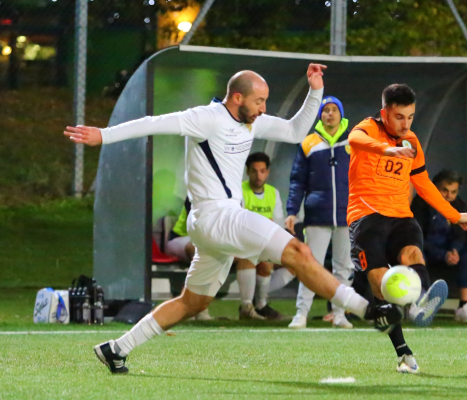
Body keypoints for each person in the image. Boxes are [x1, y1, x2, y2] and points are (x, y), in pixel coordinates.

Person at [65, 64, 398, 374]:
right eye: (259, 101)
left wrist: (315, 91)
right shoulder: (206, 118)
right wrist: (103, 135)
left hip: (212, 225)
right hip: (217, 216)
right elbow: (152, 123)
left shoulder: (251, 120)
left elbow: (296, 130)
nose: (263, 108)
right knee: (299, 252)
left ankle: (116, 349)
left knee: (192, 302)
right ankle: (368, 310)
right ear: (238, 98)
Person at [347, 83, 467, 373]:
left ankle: (419, 303)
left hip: (400, 217)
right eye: (399, 117)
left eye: (411, 117)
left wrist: (454, 215)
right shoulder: (369, 128)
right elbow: (354, 139)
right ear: (384, 114)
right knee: (380, 282)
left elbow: (424, 184)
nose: (405, 124)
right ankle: (403, 352)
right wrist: (386, 149)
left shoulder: (412, 142)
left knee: (412, 254)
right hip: (366, 217)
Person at [285, 95, 354, 329]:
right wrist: (292, 211)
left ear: (341, 114)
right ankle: (301, 314)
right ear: (320, 115)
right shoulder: (308, 143)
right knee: (310, 266)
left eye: (334, 109)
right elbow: (297, 181)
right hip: (316, 216)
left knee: (344, 267)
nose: (330, 114)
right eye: (326, 110)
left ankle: (339, 314)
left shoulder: (354, 142)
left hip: (347, 215)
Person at [411, 170, 467, 323]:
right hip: (427, 250)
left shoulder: (460, 205)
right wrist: (442, 254)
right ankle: (420, 303)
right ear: (435, 187)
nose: (449, 196)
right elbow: (417, 237)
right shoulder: (421, 203)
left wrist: (455, 251)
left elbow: (461, 235)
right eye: (445, 191)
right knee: (416, 255)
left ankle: (464, 306)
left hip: (449, 251)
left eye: (453, 192)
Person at [237, 152, 285, 320]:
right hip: (241, 243)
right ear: (247, 172)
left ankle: (261, 303)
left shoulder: (273, 193)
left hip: (265, 242)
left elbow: (279, 224)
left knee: (293, 261)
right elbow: (238, 223)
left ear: (268, 172)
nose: (259, 176)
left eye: (262, 171)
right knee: (249, 256)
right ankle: (247, 305)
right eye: (254, 171)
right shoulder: (238, 190)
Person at [165, 197, 212, 321]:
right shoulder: (195, 195)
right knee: (200, 249)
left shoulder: (227, 195)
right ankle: (197, 307)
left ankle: (248, 306)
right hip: (179, 238)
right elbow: (197, 226)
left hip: (206, 241)